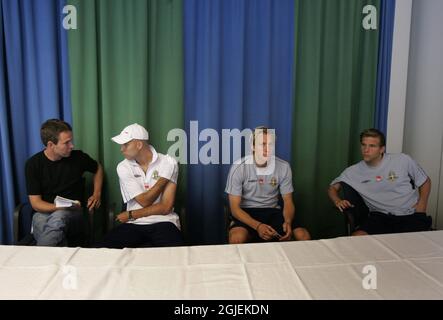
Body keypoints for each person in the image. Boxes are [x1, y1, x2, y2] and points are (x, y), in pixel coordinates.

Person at [328, 128, 432, 236]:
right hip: (380, 217)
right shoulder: (352, 171)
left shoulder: (402, 160)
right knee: (356, 238)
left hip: (410, 215)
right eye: (363, 145)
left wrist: (422, 205)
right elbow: (332, 188)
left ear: (382, 149)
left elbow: (425, 181)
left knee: (412, 248)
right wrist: (337, 201)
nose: (366, 150)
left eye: (372, 146)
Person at [97, 123, 183, 248]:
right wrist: (164, 179)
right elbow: (145, 201)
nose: (122, 149)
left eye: (125, 144)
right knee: (99, 250)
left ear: (139, 144)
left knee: (177, 258)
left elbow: (165, 207)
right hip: (134, 224)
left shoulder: (168, 162)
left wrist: (131, 214)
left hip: (164, 222)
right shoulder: (123, 167)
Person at [225, 126, 311, 244]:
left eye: (270, 144)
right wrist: (258, 226)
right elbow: (235, 209)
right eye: (262, 144)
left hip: (273, 211)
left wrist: (288, 221)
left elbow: (288, 201)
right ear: (253, 147)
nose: (267, 149)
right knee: (237, 238)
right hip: (247, 213)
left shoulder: (284, 166)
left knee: (303, 236)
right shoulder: (239, 167)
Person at [25, 119, 103, 246]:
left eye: (71, 141)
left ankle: (40, 260)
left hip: (74, 215)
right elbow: (36, 203)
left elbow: (97, 168)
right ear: (51, 145)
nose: (71, 145)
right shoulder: (33, 164)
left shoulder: (78, 157)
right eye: (66, 143)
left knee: (58, 217)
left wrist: (97, 193)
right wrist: (59, 207)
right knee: (40, 220)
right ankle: (59, 259)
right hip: (45, 213)